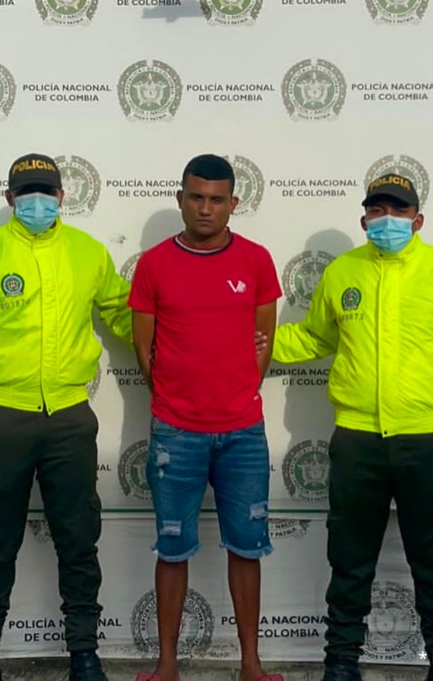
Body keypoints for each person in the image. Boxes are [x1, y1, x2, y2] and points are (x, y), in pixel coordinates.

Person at [271, 173, 433, 681]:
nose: (387, 221)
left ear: (417, 220)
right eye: (377, 212)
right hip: (357, 440)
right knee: (350, 557)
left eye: (397, 212)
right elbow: (314, 338)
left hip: (426, 440)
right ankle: (341, 664)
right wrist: (245, 340)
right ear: (363, 220)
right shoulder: (343, 273)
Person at [0, 153, 131, 681]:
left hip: (69, 415)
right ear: (9, 199)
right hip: (6, 417)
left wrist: (175, 333)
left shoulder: (87, 254)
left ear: (63, 198)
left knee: (78, 535)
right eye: (27, 193)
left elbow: (119, 311)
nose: (37, 202)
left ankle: (84, 655)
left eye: (46, 192)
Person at [128, 154, 284, 681]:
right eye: (196, 197)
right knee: (173, 549)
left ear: (233, 204)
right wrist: (180, 397)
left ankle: (251, 665)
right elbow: (144, 350)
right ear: (180, 199)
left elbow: (263, 342)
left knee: (247, 547)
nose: (205, 208)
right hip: (176, 433)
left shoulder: (257, 261)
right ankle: (166, 664)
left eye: (217, 199)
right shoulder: (153, 264)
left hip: (244, 433)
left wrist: (234, 390)